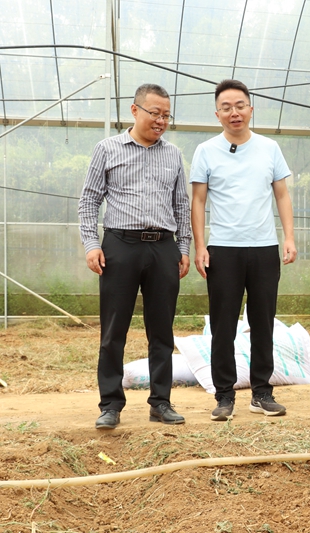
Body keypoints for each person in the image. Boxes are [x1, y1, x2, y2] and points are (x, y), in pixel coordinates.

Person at [78, 83, 191, 430]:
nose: (160, 120)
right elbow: (88, 201)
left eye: (166, 115)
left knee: (162, 330)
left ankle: (161, 402)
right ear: (135, 110)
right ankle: (111, 404)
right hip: (119, 247)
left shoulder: (172, 154)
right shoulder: (107, 149)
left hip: (162, 246)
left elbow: (182, 205)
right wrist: (91, 244)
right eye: (154, 113)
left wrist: (183, 247)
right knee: (114, 330)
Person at [190, 79, 297, 422]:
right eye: (226, 107)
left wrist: (289, 237)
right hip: (223, 249)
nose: (234, 112)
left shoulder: (269, 148)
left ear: (251, 109)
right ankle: (224, 396)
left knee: (263, 322)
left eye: (240, 105)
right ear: (217, 113)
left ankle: (262, 392)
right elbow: (198, 201)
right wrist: (200, 245)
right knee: (224, 325)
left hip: (264, 247)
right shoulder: (206, 151)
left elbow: (281, 194)